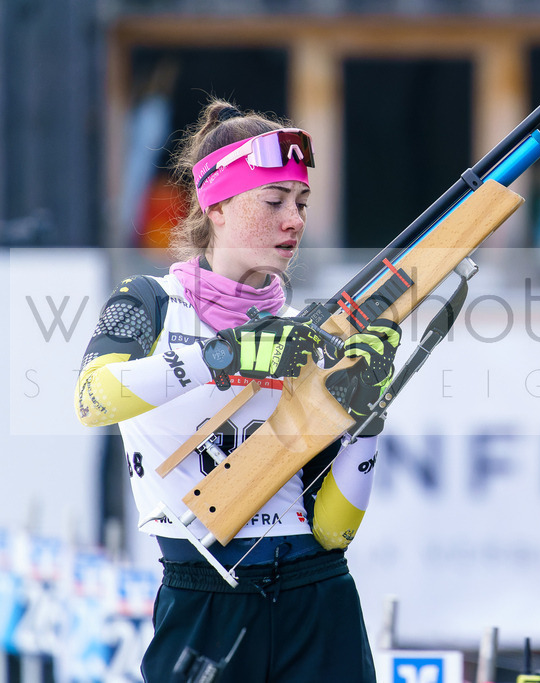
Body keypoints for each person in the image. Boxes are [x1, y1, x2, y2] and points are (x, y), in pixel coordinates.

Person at [74, 99, 399, 682]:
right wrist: (220, 359)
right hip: (205, 597)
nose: (295, 219)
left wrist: (366, 425)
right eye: (273, 201)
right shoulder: (147, 301)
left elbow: (332, 528)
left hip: (317, 595)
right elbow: (91, 401)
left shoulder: (308, 336)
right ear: (215, 205)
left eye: (301, 202)